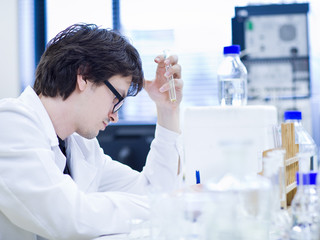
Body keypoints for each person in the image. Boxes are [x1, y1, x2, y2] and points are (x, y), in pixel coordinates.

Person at [0, 23, 183, 239]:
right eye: (116, 99)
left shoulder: (80, 145)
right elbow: (69, 218)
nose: (115, 116)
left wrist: (166, 110)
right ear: (84, 76)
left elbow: (154, 192)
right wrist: (166, 205)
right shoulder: (10, 122)